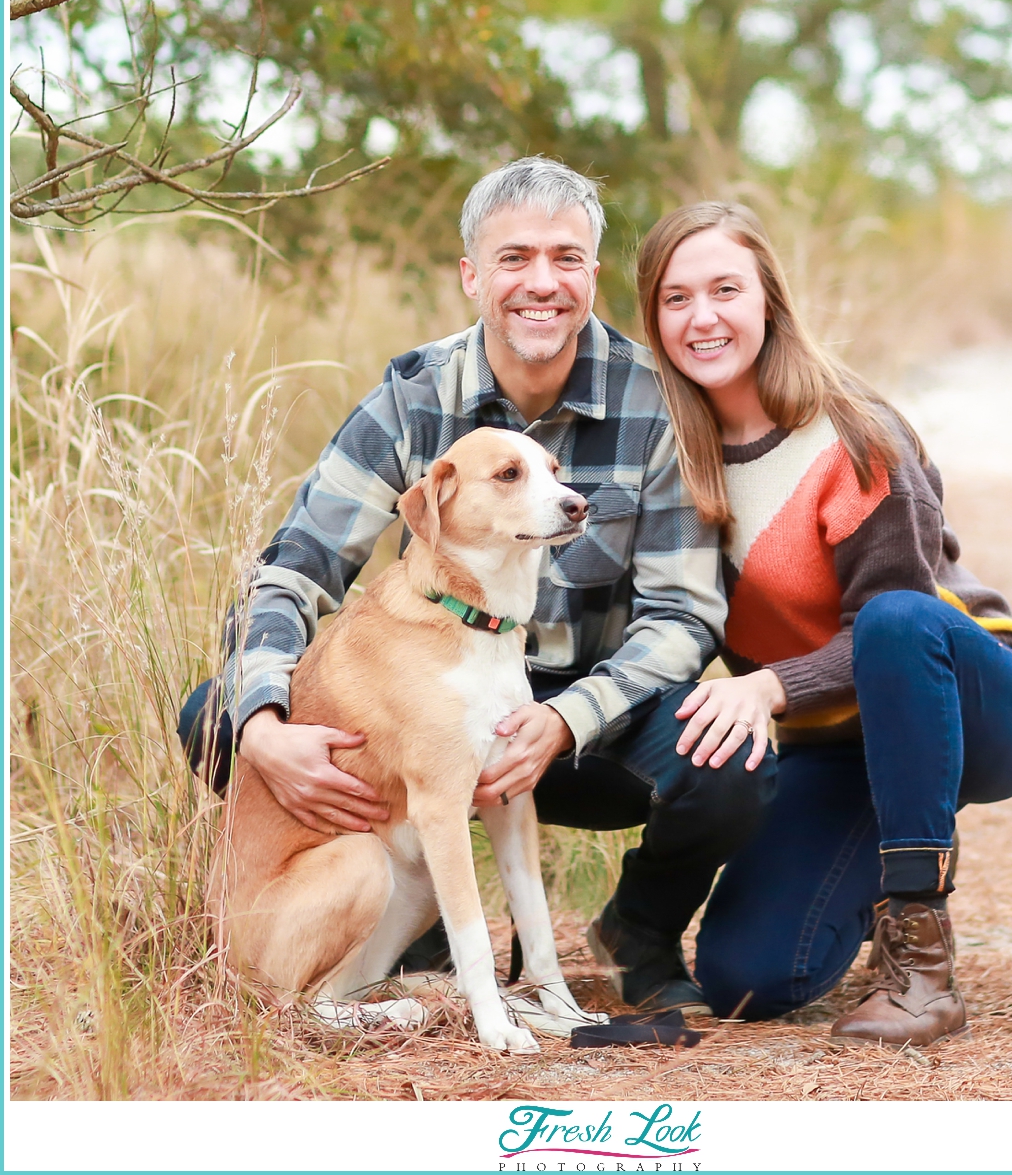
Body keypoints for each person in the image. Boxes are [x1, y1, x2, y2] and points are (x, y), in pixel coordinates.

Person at [179, 158, 775, 1012]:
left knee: (729, 765)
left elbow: (684, 616)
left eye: (567, 259)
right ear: (471, 276)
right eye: (514, 258)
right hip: (440, 710)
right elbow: (292, 570)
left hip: (588, 723)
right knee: (219, 716)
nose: (542, 283)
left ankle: (636, 933)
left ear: (593, 276)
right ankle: (400, 927)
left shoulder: (657, 401)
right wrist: (264, 725)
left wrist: (567, 719)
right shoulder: (414, 399)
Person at [634, 200, 1012, 1045]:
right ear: (653, 318)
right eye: (676, 298)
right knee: (745, 978)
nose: (703, 316)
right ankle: (871, 873)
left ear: (769, 301)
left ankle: (922, 962)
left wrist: (767, 684)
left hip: (982, 703)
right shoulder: (669, 459)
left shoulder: (854, 433)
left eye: (726, 288)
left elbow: (891, 623)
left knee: (898, 623)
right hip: (836, 742)